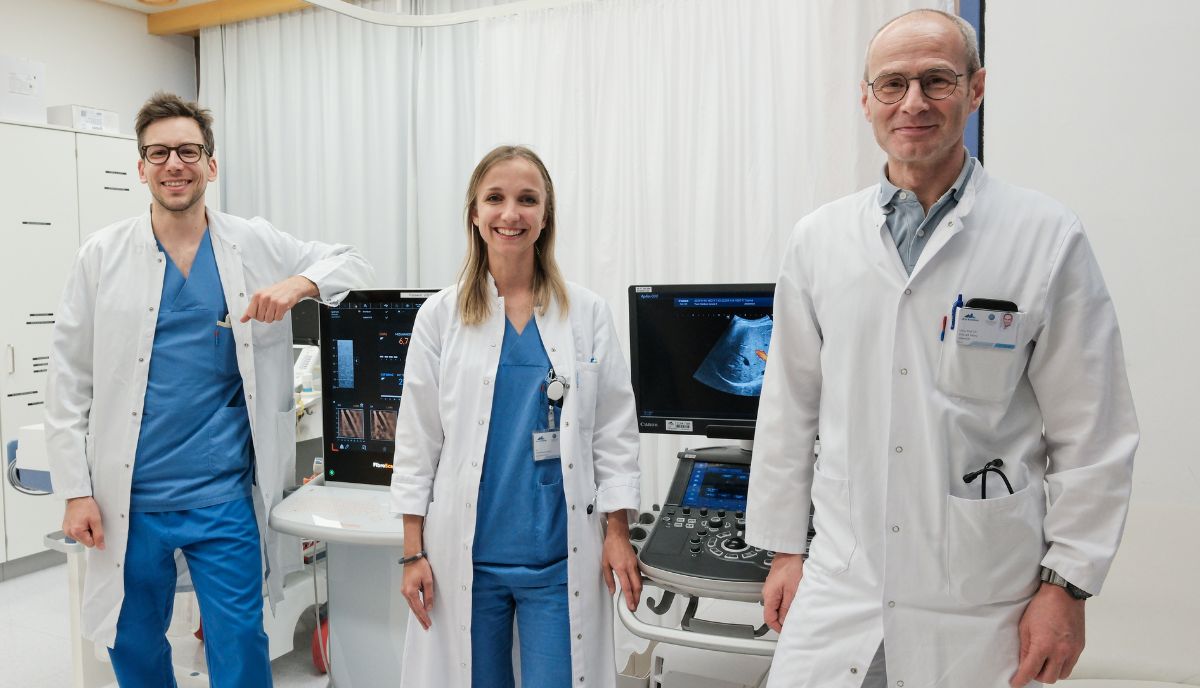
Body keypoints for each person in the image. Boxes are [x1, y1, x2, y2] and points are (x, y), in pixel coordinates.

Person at [745, 10, 1138, 688]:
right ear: (865, 99)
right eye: (892, 84)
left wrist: (1067, 586)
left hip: (983, 598)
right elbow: (789, 411)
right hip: (842, 584)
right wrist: (784, 551)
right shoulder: (819, 240)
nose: (913, 103)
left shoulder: (1044, 236)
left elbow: (1093, 430)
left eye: (937, 80)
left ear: (976, 89)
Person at [45, 91, 374, 686]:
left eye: (189, 151)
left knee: (241, 641)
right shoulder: (101, 256)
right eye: (159, 153)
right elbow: (68, 380)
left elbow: (353, 263)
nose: (175, 164)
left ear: (211, 164)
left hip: (222, 496)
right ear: (141, 167)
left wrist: (300, 283)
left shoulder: (254, 243)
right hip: (129, 501)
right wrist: (75, 491)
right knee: (133, 642)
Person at [390, 145, 642, 687]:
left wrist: (618, 531)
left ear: (545, 216)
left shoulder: (587, 313)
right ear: (474, 213)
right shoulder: (440, 317)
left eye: (528, 200)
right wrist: (412, 553)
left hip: (558, 560)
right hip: (467, 560)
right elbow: (416, 442)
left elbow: (613, 433)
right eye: (495, 199)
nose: (511, 214)